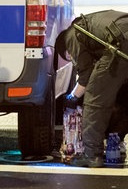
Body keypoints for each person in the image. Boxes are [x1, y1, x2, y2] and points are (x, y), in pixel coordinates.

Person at [55, 10, 128, 167]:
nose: (72, 58)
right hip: (122, 37)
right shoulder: (88, 26)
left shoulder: (71, 36)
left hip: (119, 43)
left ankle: (92, 155)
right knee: (123, 96)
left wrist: (72, 97)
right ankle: (117, 143)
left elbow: (86, 75)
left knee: (95, 98)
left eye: (69, 56)